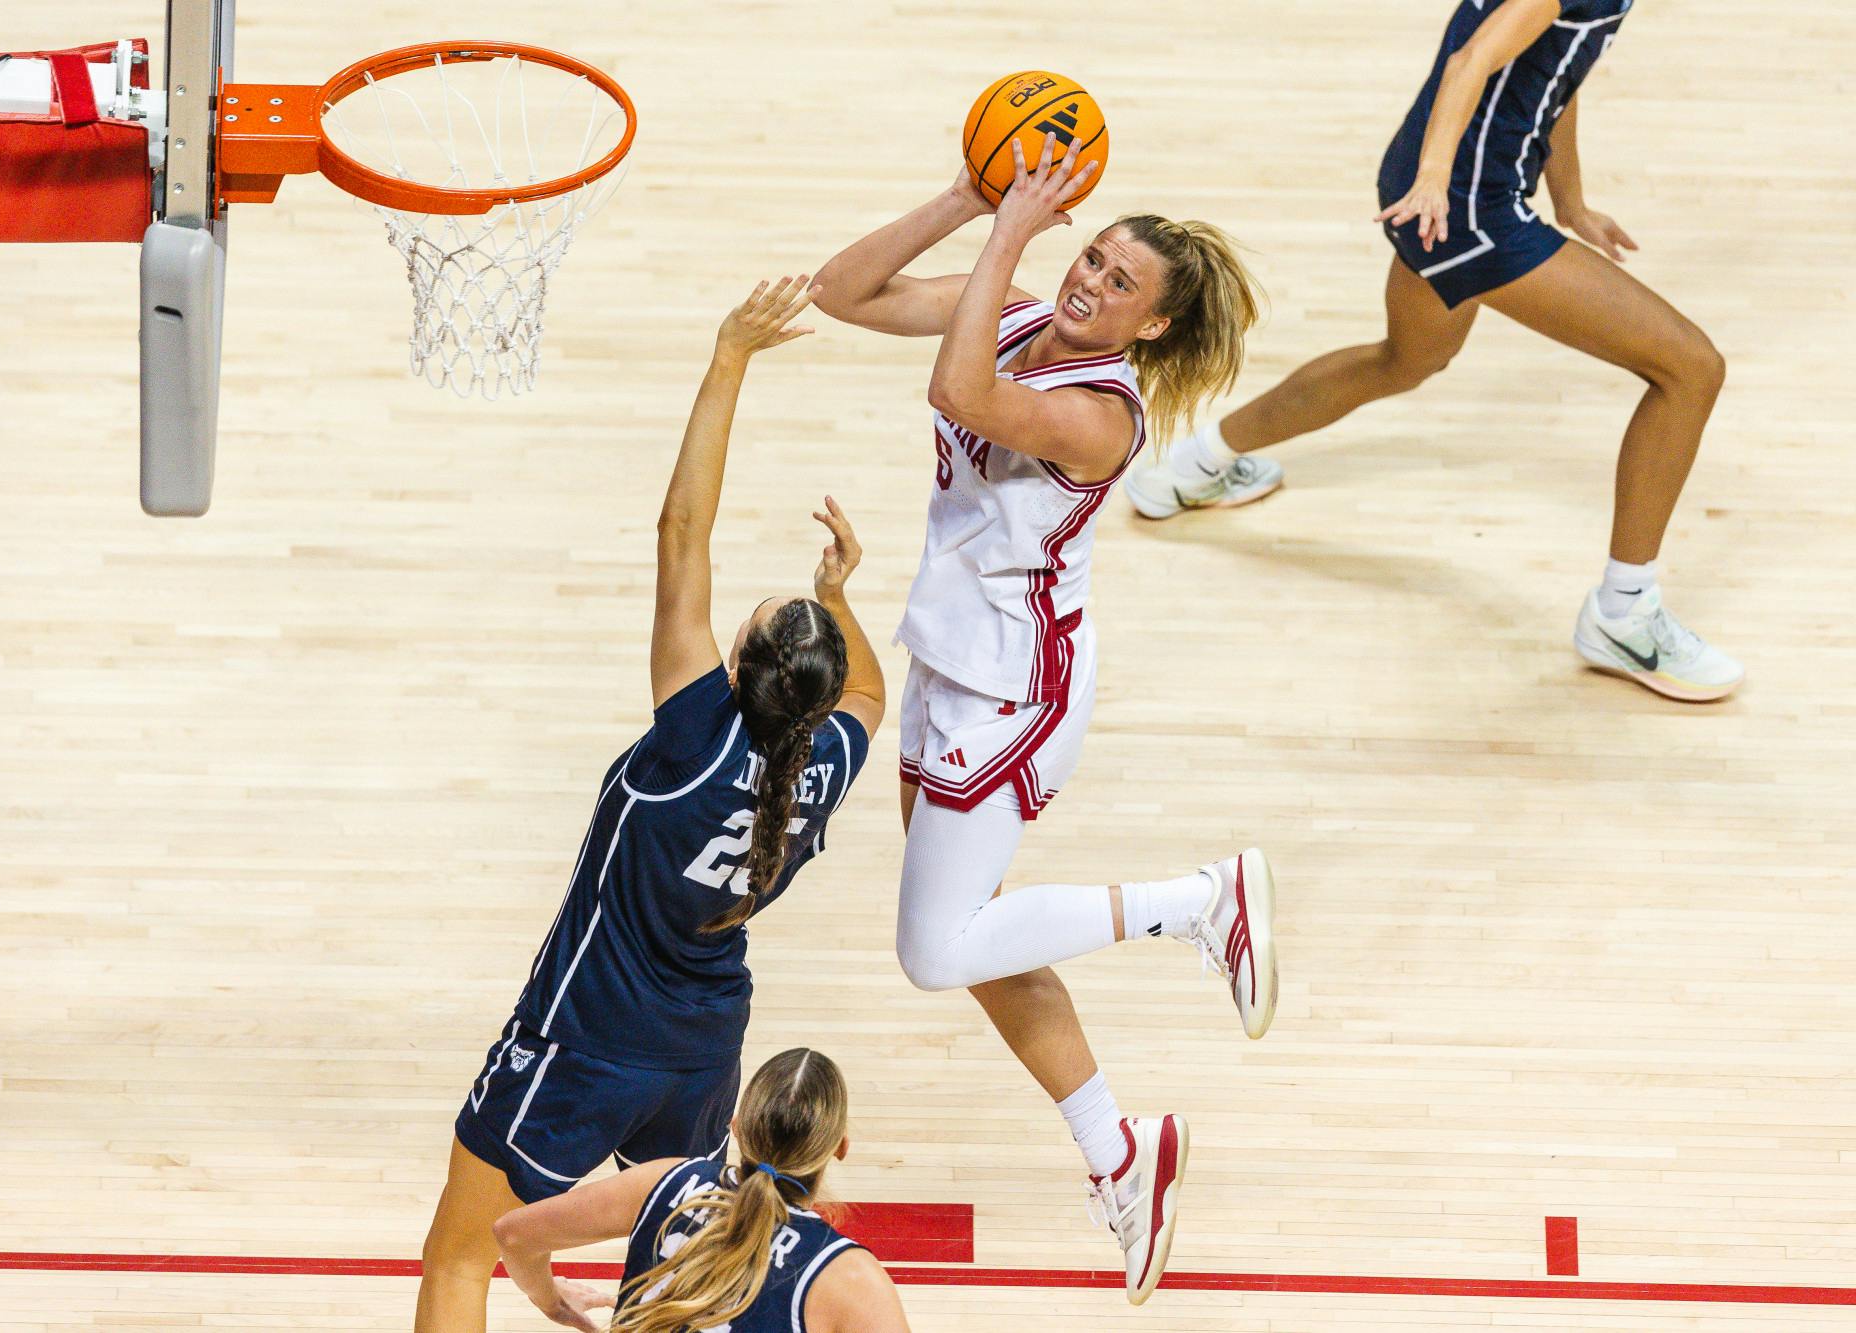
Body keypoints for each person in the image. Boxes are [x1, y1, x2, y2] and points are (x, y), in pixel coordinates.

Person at [813, 140, 1278, 1304]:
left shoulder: (1100, 414)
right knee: (977, 940)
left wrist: (1010, 229)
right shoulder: (1013, 311)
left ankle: (1198, 901)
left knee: (935, 951)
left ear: (1151, 327)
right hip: (948, 656)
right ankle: (1118, 1153)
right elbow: (840, 292)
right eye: (1092, 256)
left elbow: (958, 394)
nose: (1088, 280)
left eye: (1120, 282)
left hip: (1011, 688)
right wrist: (961, 199)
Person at [413, 279, 888, 1333]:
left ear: (736, 662)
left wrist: (729, 356)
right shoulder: (825, 761)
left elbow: (681, 530)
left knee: (458, 1254)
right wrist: (839, 595)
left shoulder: (693, 736)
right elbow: (868, 691)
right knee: (677, 1262)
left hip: (583, 1035)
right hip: (702, 1050)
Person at [1127, 0, 1740, 702]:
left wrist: (1570, 201)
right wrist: (1433, 180)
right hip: (1464, 207)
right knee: (1690, 369)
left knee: (1406, 360)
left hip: (1448, 193)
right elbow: (1470, 62)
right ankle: (1625, 615)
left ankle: (1190, 466)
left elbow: (1551, 70)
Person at [492, 1048, 911, 1332]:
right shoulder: (850, 1278)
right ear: (840, 1147)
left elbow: (512, 1234)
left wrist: (551, 1300)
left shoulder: (662, 1181)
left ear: (737, 1127)